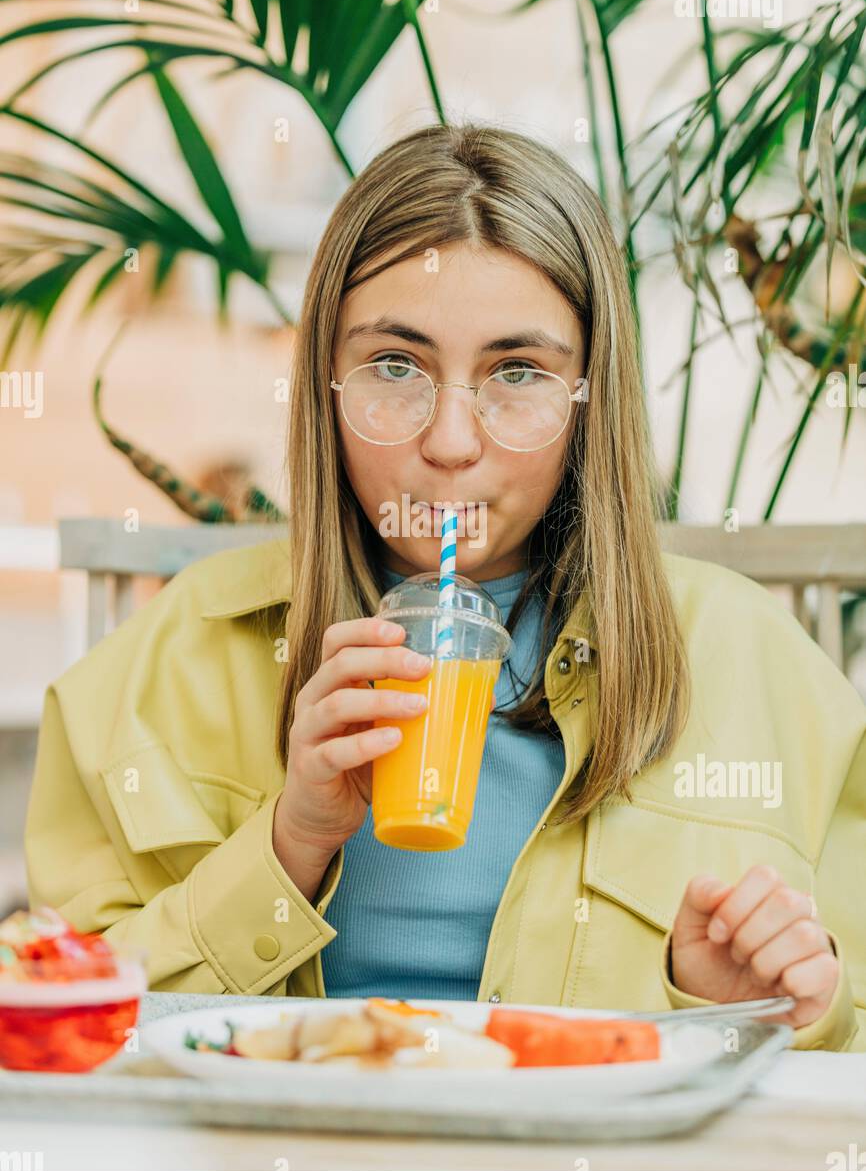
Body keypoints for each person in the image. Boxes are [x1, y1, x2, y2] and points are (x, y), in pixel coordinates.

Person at [25, 123, 866, 1052]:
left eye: (517, 373)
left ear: (592, 397)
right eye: (395, 367)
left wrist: (757, 1009)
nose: (452, 442)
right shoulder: (169, 661)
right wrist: (285, 849)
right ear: (324, 384)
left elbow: (843, 1046)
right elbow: (61, 1035)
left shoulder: (762, 667)